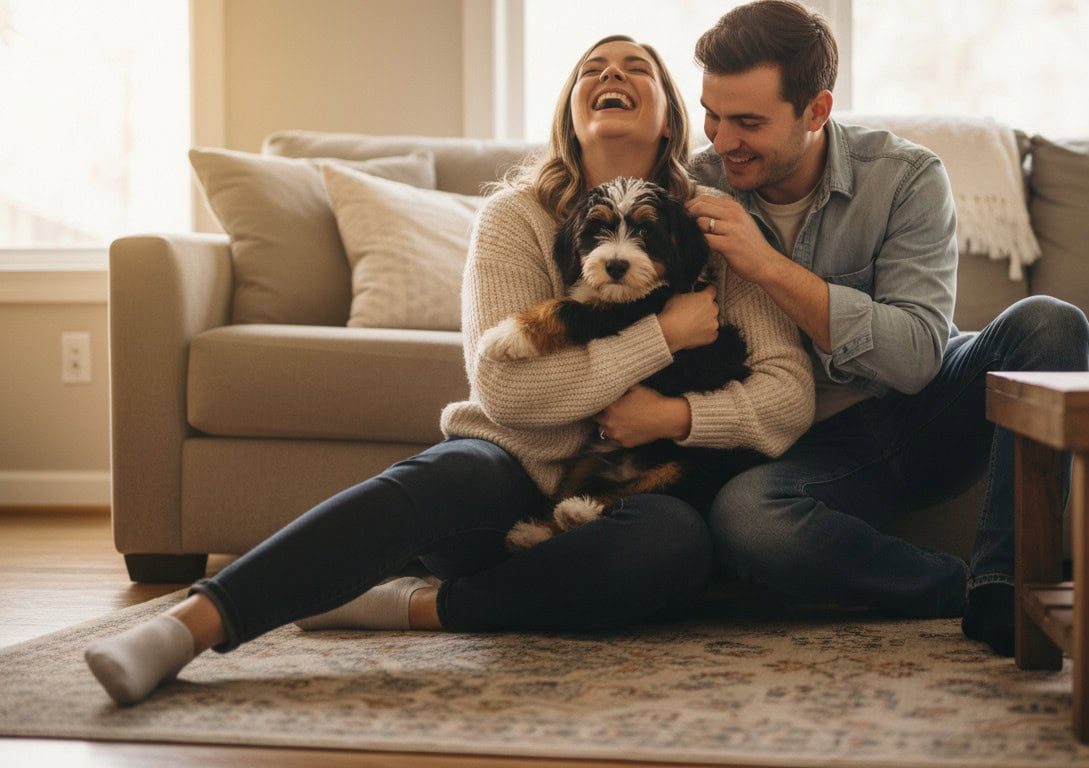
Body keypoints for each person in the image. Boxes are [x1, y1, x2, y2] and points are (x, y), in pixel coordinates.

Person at [84, 34, 814, 706]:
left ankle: (411, 605)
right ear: (570, 115)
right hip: (499, 480)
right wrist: (657, 335)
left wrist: (674, 417)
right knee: (441, 476)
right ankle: (188, 625)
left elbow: (788, 393)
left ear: (669, 121)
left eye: (635, 70)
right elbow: (505, 390)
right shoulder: (513, 218)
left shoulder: (715, 226)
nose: (610, 73)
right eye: (591, 68)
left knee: (673, 549)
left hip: (621, 503)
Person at [684, 0, 1089, 657]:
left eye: (748, 122)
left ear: (817, 111)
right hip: (808, 447)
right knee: (747, 521)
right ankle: (960, 587)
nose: (721, 140)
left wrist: (768, 268)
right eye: (711, 114)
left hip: (923, 411)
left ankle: (1008, 585)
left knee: (1051, 324)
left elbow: (916, 358)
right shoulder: (695, 185)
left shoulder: (906, 178)